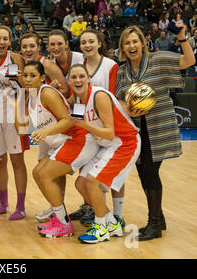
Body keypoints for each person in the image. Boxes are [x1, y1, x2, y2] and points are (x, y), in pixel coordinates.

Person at [115, 25, 195, 241]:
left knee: (149, 172)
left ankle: (154, 225)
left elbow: (189, 61)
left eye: (135, 41)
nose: (132, 46)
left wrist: (181, 39)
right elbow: (119, 98)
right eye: (127, 42)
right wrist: (127, 107)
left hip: (159, 126)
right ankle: (158, 217)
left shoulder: (158, 60)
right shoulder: (122, 70)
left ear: (142, 43)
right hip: (137, 129)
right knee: (144, 173)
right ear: (122, 47)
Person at [11, 60, 98, 238]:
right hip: (64, 142)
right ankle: (60, 218)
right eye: (25, 75)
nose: (27, 79)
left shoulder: (47, 93)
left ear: (42, 78)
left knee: (44, 174)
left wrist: (45, 131)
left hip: (78, 139)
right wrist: (18, 100)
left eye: (33, 75)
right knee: (37, 172)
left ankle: (65, 225)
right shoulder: (29, 97)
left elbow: (67, 119)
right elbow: (20, 129)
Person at [68, 64, 141, 244]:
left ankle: (101, 228)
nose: (78, 80)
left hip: (125, 143)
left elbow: (109, 132)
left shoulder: (98, 96)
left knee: (92, 182)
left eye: (81, 76)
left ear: (88, 78)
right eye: (74, 77)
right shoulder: (77, 99)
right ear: (69, 80)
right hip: (107, 145)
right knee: (81, 183)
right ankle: (111, 222)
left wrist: (84, 125)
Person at [69, 29, 124, 227]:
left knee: (115, 175)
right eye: (83, 42)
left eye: (91, 41)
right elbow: (76, 98)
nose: (87, 45)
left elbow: (113, 98)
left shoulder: (110, 65)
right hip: (88, 128)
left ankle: (118, 214)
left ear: (99, 43)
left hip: (109, 128)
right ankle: (91, 207)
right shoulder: (79, 67)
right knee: (86, 172)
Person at [0, 25, 29, 220]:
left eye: (5, 38)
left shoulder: (16, 59)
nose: (2, 42)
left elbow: (24, 87)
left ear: (9, 41)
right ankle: (3, 204)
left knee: (17, 160)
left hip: (13, 113)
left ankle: (20, 207)